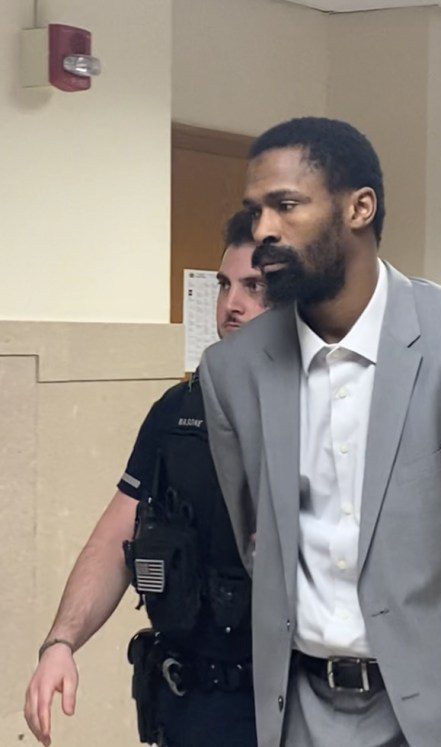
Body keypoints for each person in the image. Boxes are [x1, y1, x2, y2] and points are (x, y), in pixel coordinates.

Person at [199, 117, 441, 747]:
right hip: (302, 711)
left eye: (286, 205)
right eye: (255, 210)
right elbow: (255, 538)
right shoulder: (233, 370)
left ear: (359, 207)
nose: (264, 230)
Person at [24, 210, 266, 747]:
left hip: (287, 706)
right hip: (191, 702)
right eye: (225, 284)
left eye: (256, 286)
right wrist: (60, 644)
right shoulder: (176, 412)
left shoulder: (323, 413)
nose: (232, 304)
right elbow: (118, 533)